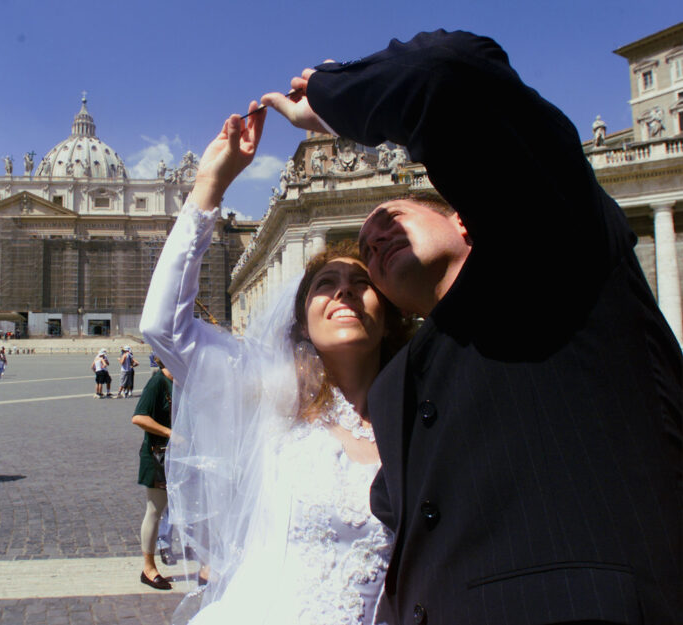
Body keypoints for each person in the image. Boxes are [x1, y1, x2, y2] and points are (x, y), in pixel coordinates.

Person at [262, 30, 683, 625]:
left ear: (466, 221)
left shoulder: (557, 252)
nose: (373, 236)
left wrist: (334, 98)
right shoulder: (394, 390)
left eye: (394, 216)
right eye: (366, 248)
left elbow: (450, 73)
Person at [140, 106, 410, 624]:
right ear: (302, 321)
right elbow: (165, 330)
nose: (345, 295)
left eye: (362, 286)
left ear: (390, 313)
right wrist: (209, 188)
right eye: (325, 285)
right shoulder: (278, 396)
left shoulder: (423, 411)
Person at [131, 356, 175, 590]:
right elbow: (139, 417)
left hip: (180, 457)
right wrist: (169, 432)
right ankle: (148, 568)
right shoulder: (157, 382)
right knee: (155, 511)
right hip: (158, 456)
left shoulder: (182, 382)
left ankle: (206, 566)